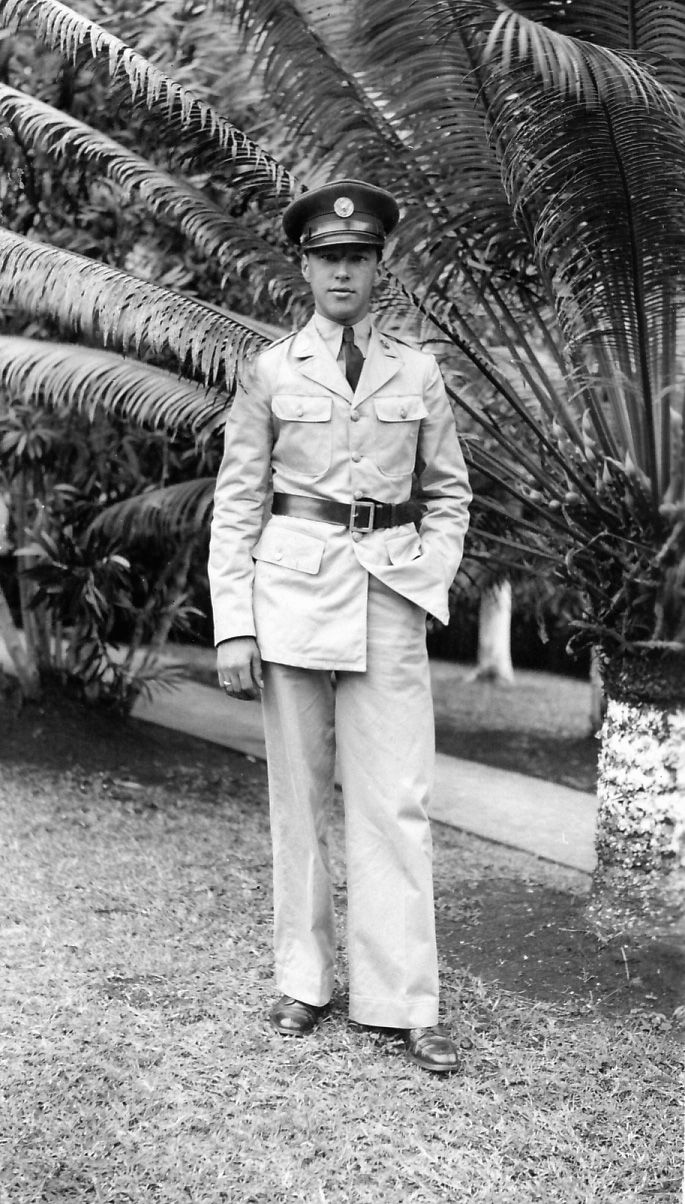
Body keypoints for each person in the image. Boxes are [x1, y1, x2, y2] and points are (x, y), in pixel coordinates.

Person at [208, 179, 471, 1073]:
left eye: (356, 259)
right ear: (305, 268)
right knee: (299, 799)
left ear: (378, 267)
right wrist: (232, 626)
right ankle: (303, 980)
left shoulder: (417, 369)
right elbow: (238, 502)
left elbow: (449, 493)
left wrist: (427, 576)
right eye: (327, 259)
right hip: (288, 600)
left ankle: (403, 1000)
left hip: (390, 598)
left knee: (395, 800)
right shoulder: (273, 370)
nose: (341, 273)